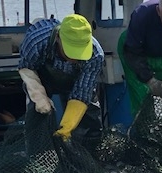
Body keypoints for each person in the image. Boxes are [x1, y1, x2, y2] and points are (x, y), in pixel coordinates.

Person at [18, 14, 104, 148]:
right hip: (43, 78)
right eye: (71, 52)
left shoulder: (96, 54)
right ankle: (37, 157)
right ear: (58, 38)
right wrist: (39, 97)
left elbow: (82, 92)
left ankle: (90, 157)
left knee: (89, 119)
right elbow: (27, 69)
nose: (75, 59)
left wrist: (67, 126)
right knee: (38, 113)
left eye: (80, 54)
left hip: (77, 82)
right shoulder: (36, 41)